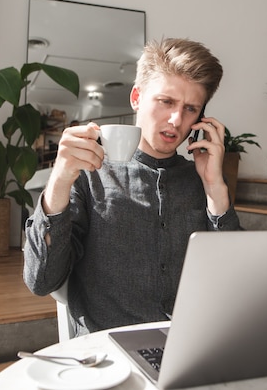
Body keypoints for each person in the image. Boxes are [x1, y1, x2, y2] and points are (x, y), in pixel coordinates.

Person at [23, 38, 241, 336]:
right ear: (136, 97)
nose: (176, 120)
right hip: (108, 353)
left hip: (188, 343)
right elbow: (41, 280)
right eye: (166, 102)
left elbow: (231, 281)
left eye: (191, 109)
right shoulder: (89, 175)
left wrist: (216, 189)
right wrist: (59, 182)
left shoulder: (200, 179)